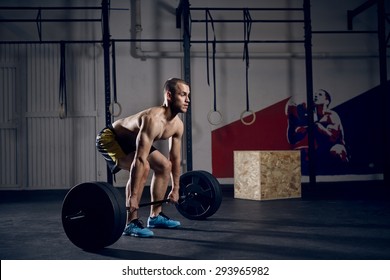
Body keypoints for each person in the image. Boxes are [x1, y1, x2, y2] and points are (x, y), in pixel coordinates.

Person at [96, 78, 190, 237]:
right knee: (144, 166)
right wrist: (132, 198)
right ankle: (130, 223)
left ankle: (155, 216)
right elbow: (139, 160)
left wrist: (176, 189)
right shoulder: (152, 120)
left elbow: (174, 159)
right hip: (111, 138)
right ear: (169, 95)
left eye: (188, 95)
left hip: (133, 141)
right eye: (183, 95)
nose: (188, 100)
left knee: (164, 166)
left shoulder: (177, 125)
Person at [286, 89, 348, 173]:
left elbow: (333, 138)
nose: (315, 96)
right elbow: (292, 140)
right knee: (295, 154)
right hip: (320, 150)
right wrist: (291, 121)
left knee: (337, 151)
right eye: (315, 94)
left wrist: (316, 125)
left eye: (320, 94)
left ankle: (345, 172)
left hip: (335, 147)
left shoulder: (331, 115)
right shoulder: (312, 117)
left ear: (327, 101)